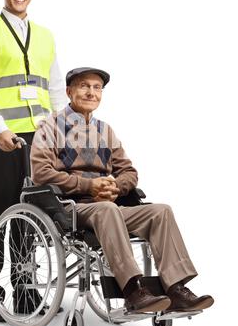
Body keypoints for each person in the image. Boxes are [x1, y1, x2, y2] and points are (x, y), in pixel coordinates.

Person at [30, 67, 214, 313]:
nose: (91, 92)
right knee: (107, 210)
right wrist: (89, 185)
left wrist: (116, 187)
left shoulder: (105, 131)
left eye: (97, 88)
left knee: (161, 211)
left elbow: (129, 171)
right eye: (84, 86)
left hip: (109, 206)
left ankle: (176, 289)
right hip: (71, 208)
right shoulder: (50, 128)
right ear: (69, 91)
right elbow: (40, 173)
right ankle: (132, 291)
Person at [0, 0, 67, 321]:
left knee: (33, 217)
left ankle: (27, 298)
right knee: (0, 215)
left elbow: (55, 88)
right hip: (2, 139)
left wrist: (62, 130)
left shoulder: (45, 35)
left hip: (40, 138)